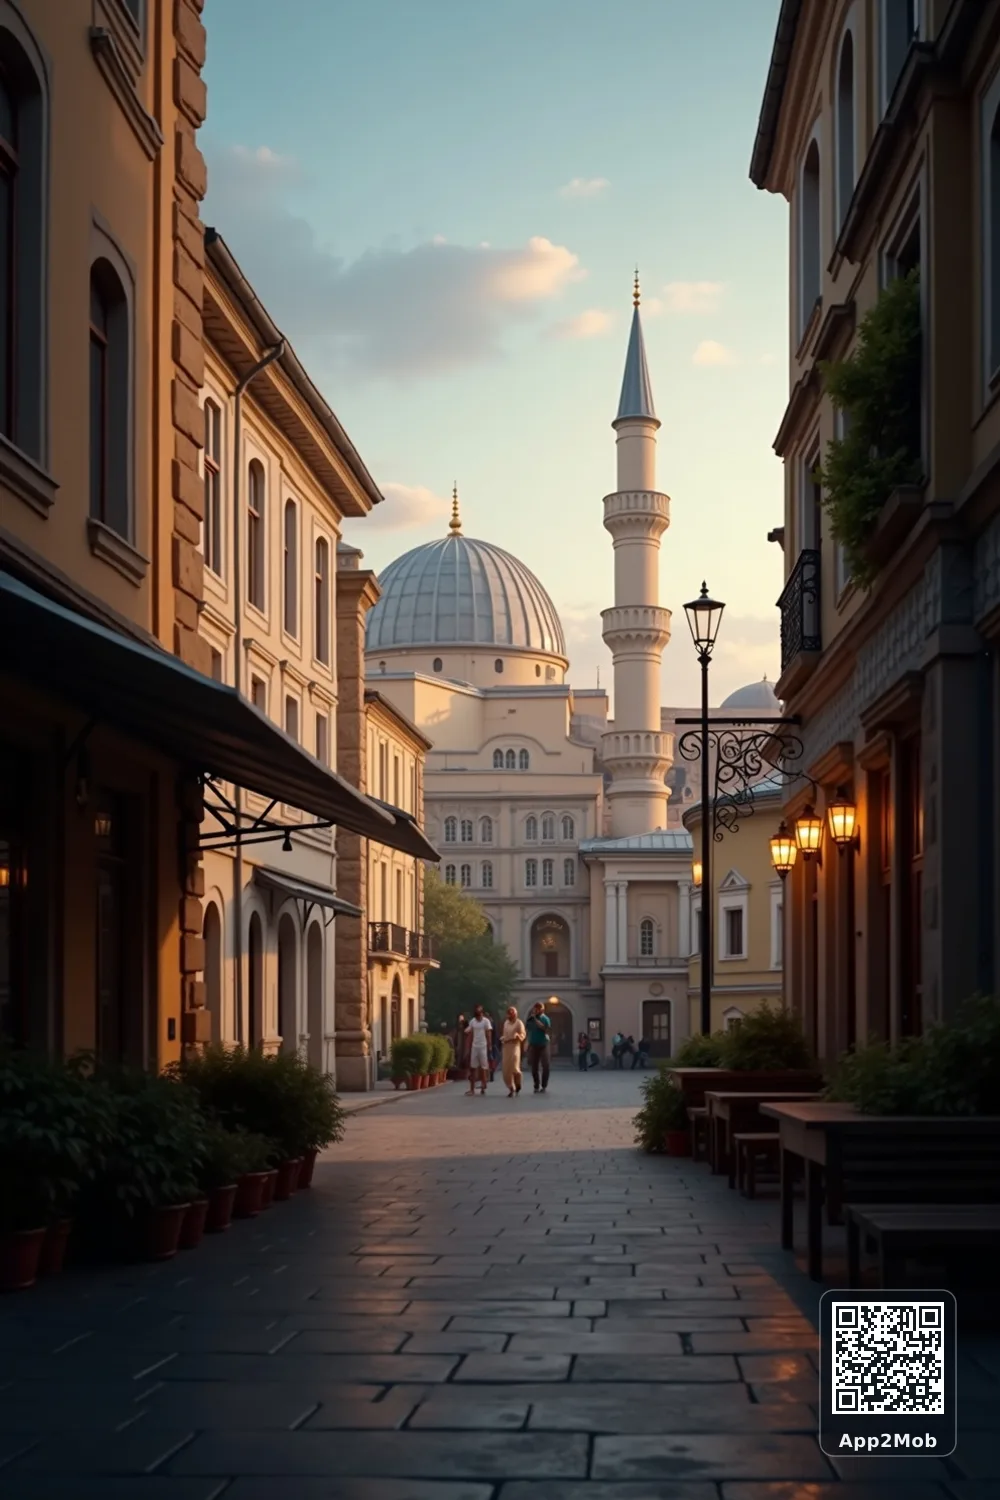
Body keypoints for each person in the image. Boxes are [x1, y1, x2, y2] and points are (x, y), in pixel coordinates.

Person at [465, 1005, 493, 1096]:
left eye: (479, 1014)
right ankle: (472, 1089)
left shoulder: (486, 1021)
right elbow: (469, 1032)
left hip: (483, 1046)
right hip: (475, 1046)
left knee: (483, 1067)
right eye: (476, 1015)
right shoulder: (473, 1021)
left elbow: (488, 1034)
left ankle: (483, 1084)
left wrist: (489, 1045)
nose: (478, 1017)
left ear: (482, 1014)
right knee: (473, 1068)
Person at [525, 1001, 552, 1093]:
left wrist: (536, 1020)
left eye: (538, 1009)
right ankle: (536, 1085)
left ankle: (544, 1085)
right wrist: (526, 1044)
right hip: (533, 1044)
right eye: (535, 1008)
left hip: (544, 1044)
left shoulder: (545, 1019)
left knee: (546, 1065)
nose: (536, 1010)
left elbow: (545, 1028)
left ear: (542, 1010)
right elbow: (527, 1031)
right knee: (534, 1066)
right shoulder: (530, 1019)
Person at [501, 1006, 527, 1096]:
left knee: (514, 1067)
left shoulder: (519, 1023)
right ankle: (511, 1088)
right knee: (506, 1069)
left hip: (515, 1047)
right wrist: (503, 1039)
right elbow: (504, 1034)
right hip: (506, 1047)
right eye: (509, 1013)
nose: (510, 1015)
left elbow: (523, 1035)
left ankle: (518, 1083)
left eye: (512, 1013)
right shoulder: (506, 1023)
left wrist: (518, 1036)